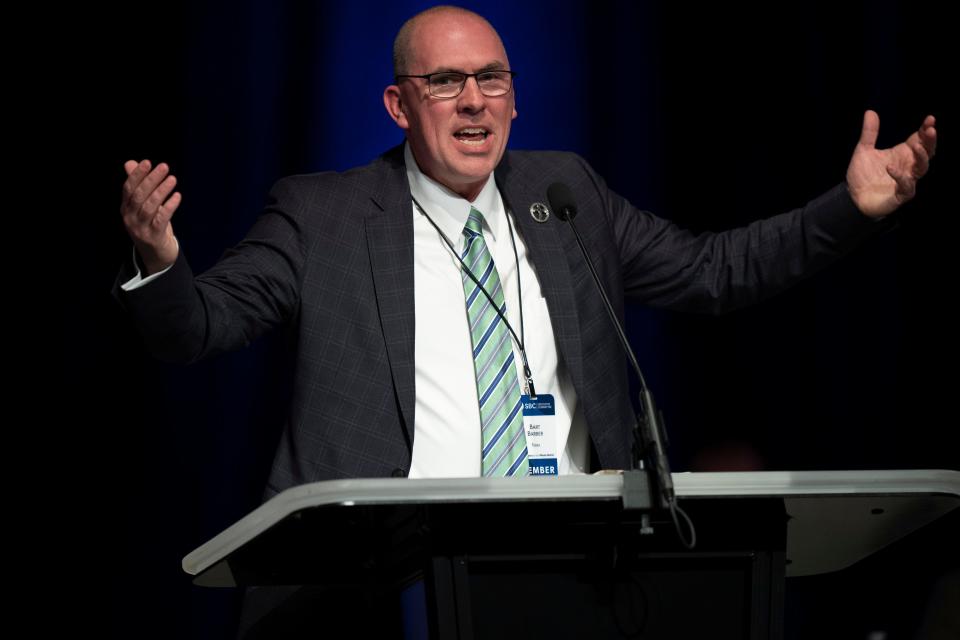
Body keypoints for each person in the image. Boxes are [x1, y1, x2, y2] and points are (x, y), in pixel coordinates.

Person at [114, 5, 936, 636]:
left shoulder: (565, 195)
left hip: (568, 565)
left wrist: (851, 211)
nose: (474, 102)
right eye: (445, 83)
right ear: (399, 105)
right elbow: (199, 328)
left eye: (492, 79)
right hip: (377, 580)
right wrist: (159, 260)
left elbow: (715, 273)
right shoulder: (322, 214)